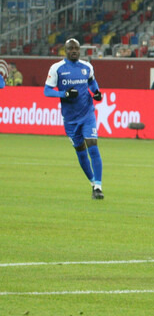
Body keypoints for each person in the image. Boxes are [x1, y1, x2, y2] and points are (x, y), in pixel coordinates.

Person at [43, 39, 105, 199]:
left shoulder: (87, 67)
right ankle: (93, 183)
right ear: (65, 50)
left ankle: (99, 187)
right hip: (70, 119)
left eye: (76, 48)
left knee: (93, 146)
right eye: (71, 48)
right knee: (81, 152)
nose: (74, 51)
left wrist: (96, 92)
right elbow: (47, 91)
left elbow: (92, 82)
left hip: (87, 114)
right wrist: (64, 94)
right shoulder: (57, 68)